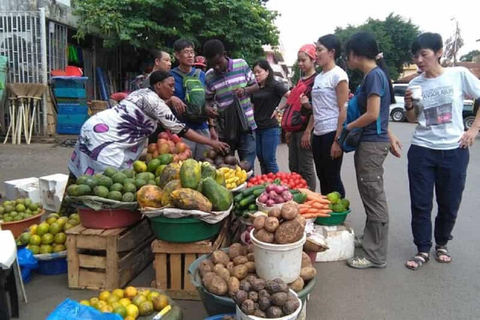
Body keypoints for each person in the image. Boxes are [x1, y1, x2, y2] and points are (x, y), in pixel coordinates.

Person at [404, 33, 480, 270]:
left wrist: (474, 130)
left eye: (423, 54)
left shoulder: (459, 75)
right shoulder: (415, 84)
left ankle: (442, 244)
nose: (419, 60)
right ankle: (422, 249)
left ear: (439, 53)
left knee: (449, 203)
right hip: (422, 150)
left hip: (454, 150)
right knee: (421, 203)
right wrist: (408, 105)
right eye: (415, 56)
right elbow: (412, 118)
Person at [68, 71, 229, 177]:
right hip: (104, 137)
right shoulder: (156, 103)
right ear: (158, 85)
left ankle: (71, 207)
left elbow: (151, 108)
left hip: (94, 126)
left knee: (83, 175)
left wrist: (169, 101)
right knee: (107, 181)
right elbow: (181, 130)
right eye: (170, 86)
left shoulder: (142, 92)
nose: (173, 90)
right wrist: (211, 142)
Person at [343, 32, 399, 269]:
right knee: (368, 192)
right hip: (371, 142)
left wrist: (349, 126)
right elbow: (381, 117)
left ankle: (375, 255)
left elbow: (373, 114)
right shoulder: (372, 76)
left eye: (348, 54)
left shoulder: (374, 76)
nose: (347, 59)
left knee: (374, 195)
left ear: (356, 54)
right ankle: (369, 241)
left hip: (372, 145)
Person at [203, 39, 259, 168]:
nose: (217, 67)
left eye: (219, 63)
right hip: (225, 130)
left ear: (225, 54)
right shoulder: (209, 76)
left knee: (247, 166)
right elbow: (207, 99)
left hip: (247, 126)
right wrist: (208, 109)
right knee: (225, 166)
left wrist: (245, 90)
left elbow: (255, 86)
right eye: (213, 65)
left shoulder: (241, 65)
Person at [309, 34, 349, 197]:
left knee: (332, 176)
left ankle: (339, 213)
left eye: (320, 50)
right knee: (322, 176)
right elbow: (317, 108)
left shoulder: (338, 75)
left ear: (331, 52)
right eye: (315, 49)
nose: (316, 54)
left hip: (332, 132)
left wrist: (337, 141)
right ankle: (327, 212)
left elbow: (344, 109)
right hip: (318, 134)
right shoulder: (318, 78)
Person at [280, 44, 317, 191]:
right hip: (295, 130)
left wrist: (308, 131)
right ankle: (297, 194)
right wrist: (288, 130)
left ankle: (309, 197)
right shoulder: (301, 80)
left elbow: (316, 109)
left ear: (313, 60)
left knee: (305, 167)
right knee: (294, 166)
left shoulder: (316, 81)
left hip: (305, 130)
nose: (300, 63)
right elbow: (292, 105)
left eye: (304, 60)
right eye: (299, 60)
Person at [170, 39, 214, 160]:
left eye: (192, 52)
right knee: (184, 166)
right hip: (182, 129)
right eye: (186, 52)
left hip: (202, 126)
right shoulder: (170, 76)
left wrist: (212, 127)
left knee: (204, 163)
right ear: (177, 55)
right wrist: (172, 98)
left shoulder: (201, 75)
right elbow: (162, 99)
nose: (190, 55)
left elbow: (207, 100)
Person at [251, 59, 289, 174]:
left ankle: (278, 187)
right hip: (257, 128)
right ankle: (266, 186)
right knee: (261, 159)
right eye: (255, 72)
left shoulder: (275, 85)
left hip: (270, 128)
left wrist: (278, 109)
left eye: (259, 71)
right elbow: (253, 106)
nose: (256, 74)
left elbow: (292, 97)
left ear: (267, 72)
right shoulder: (255, 88)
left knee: (269, 160)